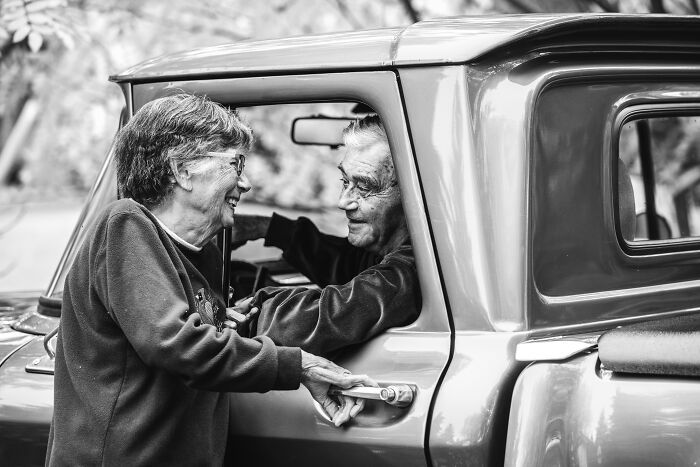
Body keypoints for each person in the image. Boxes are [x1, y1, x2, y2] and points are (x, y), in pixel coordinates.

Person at [46, 94, 373, 467]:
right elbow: (174, 343)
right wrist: (296, 365)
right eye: (237, 164)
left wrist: (221, 321)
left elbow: (181, 335)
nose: (246, 183)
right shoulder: (124, 225)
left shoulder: (201, 250)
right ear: (183, 170)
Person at [229, 115, 421, 357]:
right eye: (345, 181)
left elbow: (322, 319)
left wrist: (241, 312)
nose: (343, 202)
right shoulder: (394, 254)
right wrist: (267, 228)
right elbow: (350, 265)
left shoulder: (414, 273)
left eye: (364, 187)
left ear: (413, 194)